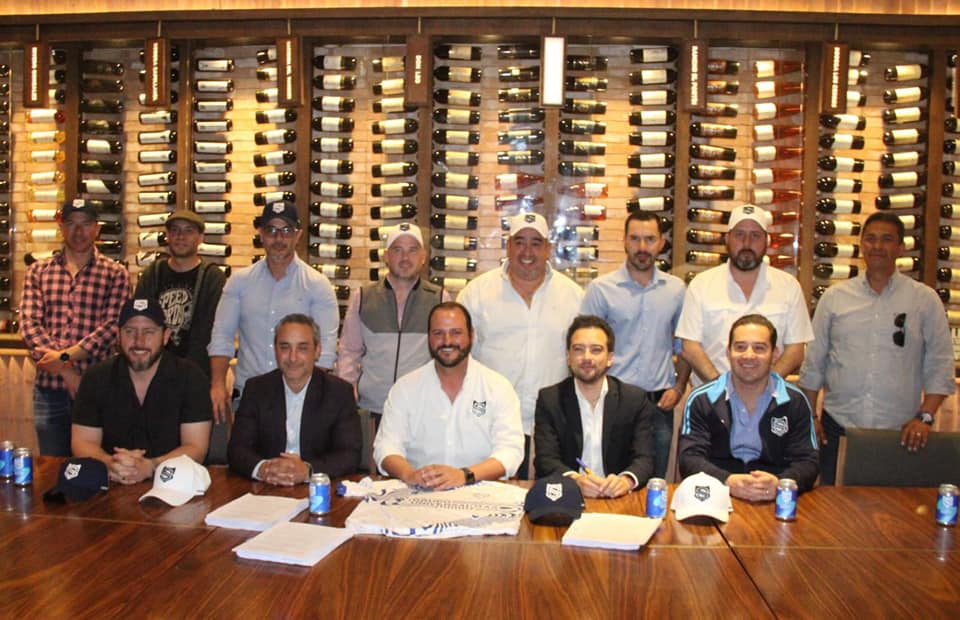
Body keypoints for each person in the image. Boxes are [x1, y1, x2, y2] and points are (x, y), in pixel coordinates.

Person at [798, 212, 955, 484]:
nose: (878, 246)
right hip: (838, 428)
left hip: (900, 432)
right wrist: (811, 416)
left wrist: (925, 418)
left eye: (887, 239)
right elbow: (814, 364)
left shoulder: (925, 300)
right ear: (862, 245)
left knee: (893, 508)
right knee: (833, 505)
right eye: (870, 239)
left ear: (901, 248)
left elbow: (940, 366)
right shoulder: (834, 298)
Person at [457, 212, 583, 478]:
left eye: (536, 243)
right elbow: (460, 358)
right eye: (520, 242)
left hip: (552, 423)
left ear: (548, 248)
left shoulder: (573, 296)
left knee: (549, 496)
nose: (527, 252)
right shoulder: (476, 293)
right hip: (491, 419)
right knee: (491, 494)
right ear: (508, 246)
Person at [208, 201, 340, 425]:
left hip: (298, 399)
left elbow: (325, 350)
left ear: (298, 235)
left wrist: (306, 397)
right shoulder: (239, 282)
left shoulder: (318, 285)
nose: (279, 238)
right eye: (271, 230)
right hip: (248, 397)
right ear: (261, 234)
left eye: (286, 231)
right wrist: (218, 384)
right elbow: (221, 337)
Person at [580, 211, 690, 477]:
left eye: (650, 239)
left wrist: (678, 387)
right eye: (635, 239)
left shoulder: (676, 290)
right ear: (624, 241)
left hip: (659, 405)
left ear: (661, 243)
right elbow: (584, 346)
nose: (642, 247)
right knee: (608, 480)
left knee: (654, 483)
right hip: (611, 404)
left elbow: (684, 345)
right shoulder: (601, 289)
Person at [20, 199, 130, 456]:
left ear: (97, 229)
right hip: (50, 389)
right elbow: (29, 325)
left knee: (98, 465)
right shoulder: (38, 271)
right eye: (71, 224)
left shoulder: (116, 274)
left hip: (97, 388)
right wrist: (66, 370)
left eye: (85, 224)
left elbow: (112, 326)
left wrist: (63, 358)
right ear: (61, 228)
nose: (78, 231)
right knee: (51, 467)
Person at [374, 302, 524, 489]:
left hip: (481, 490)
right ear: (428, 337)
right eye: (438, 333)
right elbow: (386, 446)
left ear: (471, 335)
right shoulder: (405, 388)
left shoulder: (498, 387)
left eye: (456, 333)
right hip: (420, 491)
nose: (447, 341)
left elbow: (510, 451)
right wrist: (410, 475)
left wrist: (465, 475)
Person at [71, 297, 212, 484]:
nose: (139, 341)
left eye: (149, 332)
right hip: (112, 482)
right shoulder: (96, 377)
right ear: (118, 335)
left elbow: (196, 448)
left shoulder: (191, 377)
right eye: (130, 331)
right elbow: (82, 442)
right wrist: (109, 462)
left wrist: (151, 467)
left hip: (175, 484)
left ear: (166, 336)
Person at [678, 314, 819, 499]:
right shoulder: (702, 399)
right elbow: (689, 459)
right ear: (728, 352)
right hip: (717, 496)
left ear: (774, 354)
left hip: (776, 497)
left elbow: (808, 462)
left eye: (759, 348)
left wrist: (780, 483)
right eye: (740, 347)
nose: (749, 355)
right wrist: (726, 481)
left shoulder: (795, 401)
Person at [677, 204, 813, 386]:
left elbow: (795, 350)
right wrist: (720, 388)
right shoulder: (701, 285)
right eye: (739, 234)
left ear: (767, 241)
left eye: (755, 235)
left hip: (769, 397)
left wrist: (763, 388)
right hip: (711, 396)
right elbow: (690, 346)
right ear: (727, 239)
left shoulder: (789, 286)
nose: (747, 243)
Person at [336, 223, 448, 427]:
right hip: (372, 410)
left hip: (420, 411)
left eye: (412, 250)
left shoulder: (439, 298)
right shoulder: (363, 297)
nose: (405, 258)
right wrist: (346, 392)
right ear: (386, 256)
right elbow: (348, 351)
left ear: (423, 257)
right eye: (397, 250)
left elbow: (447, 355)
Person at [228, 314, 361, 485]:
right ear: (276, 350)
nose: (292, 357)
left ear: (317, 351)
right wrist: (263, 468)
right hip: (266, 487)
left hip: (318, 489)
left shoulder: (339, 393)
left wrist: (308, 471)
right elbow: (237, 449)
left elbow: (350, 455)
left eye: (302, 348)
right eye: (285, 347)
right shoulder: (256, 389)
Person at [534, 315, 656, 498]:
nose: (586, 357)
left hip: (619, 498)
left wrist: (626, 480)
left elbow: (645, 458)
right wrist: (575, 481)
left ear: (610, 358)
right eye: (578, 349)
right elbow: (546, 459)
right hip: (566, 497)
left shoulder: (634, 399)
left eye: (596, 350)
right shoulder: (550, 399)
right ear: (568, 357)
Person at [133, 209, 225, 377]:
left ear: (201, 238)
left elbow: (210, 331)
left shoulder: (212, 277)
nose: (180, 236)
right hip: (153, 372)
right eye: (175, 230)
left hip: (196, 373)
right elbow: (139, 320)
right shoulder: (152, 273)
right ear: (167, 236)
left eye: (188, 231)